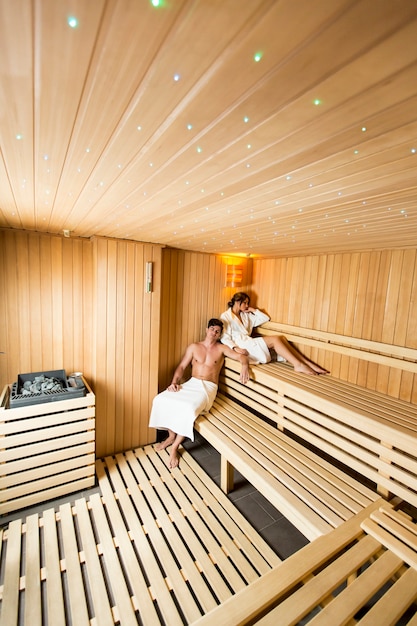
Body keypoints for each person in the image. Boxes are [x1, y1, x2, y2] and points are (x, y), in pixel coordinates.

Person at [149, 318, 250, 469]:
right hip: (191, 383)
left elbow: (241, 356)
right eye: (212, 329)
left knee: (189, 408)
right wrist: (174, 383)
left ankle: (175, 447)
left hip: (207, 388)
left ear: (219, 334)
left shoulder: (222, 349)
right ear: (206, 330)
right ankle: (171, 436)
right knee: (161, 399)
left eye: (217, 331)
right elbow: (182, 366)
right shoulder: (194, 347)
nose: (214, 333)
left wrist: (244, 366)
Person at [220, 292, 328, 375]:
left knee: (282, 338)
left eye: (248, 303)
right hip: (243, 346)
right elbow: (224, 338)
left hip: (249, 343)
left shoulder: (246, 315)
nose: (247, 305)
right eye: (245, 303)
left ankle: (307, 363)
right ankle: (298, 364)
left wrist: (254, 310)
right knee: (276, 339)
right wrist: (235, 348)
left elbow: (265, 318)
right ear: (238, 302)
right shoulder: (226, 316)